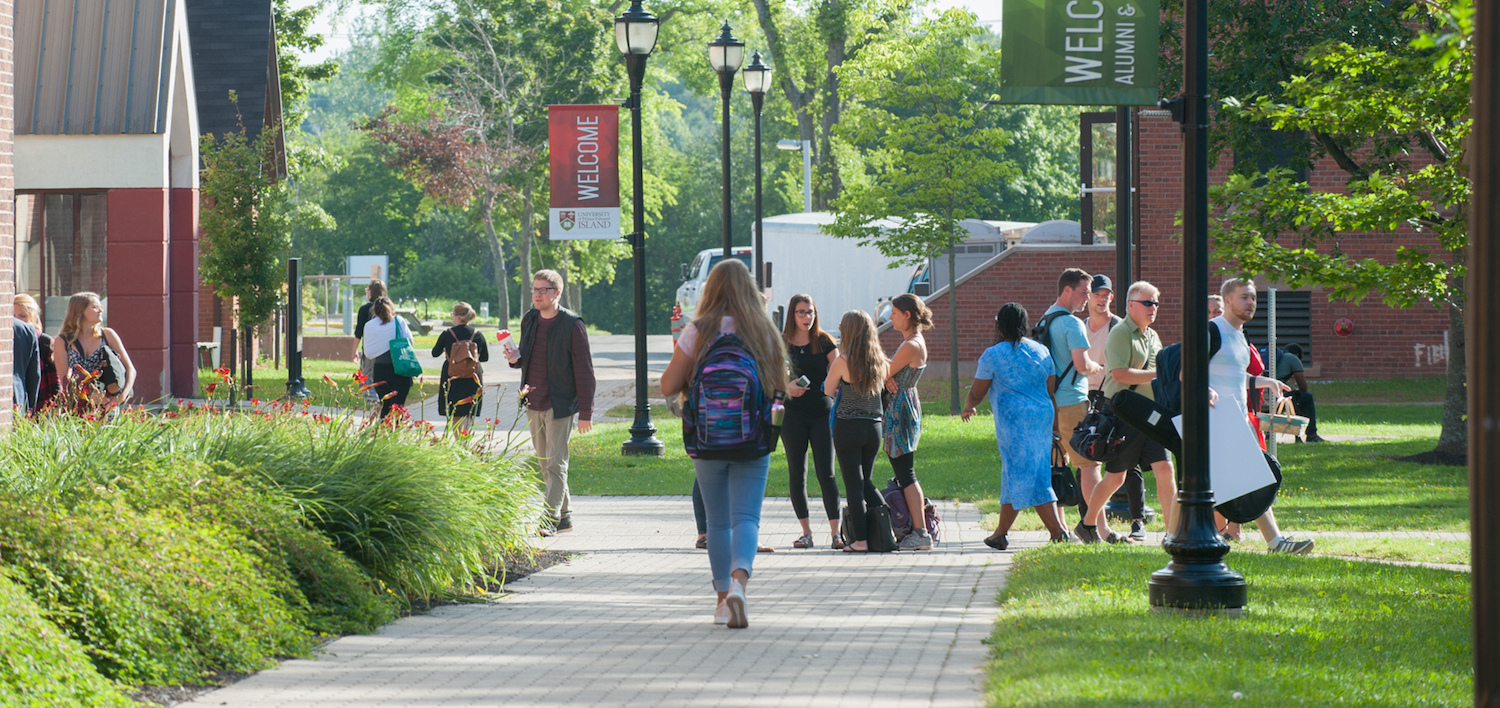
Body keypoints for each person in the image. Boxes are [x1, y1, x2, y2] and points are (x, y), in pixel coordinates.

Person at [660, 259, 785, 629]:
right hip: (753, 439)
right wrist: (772, 424)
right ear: (748, 288)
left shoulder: (698, 330)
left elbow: (667, 386)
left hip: (707, 438)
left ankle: (719, 603)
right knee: (746, 517)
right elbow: (779, 389)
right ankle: (739, 585)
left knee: (717, 522)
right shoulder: (762, 330)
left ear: (709, 290)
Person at [1209, 279, 1315, 554]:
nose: (1251, 303)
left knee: (1243, 481)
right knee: (1245, 480)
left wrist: (1265, 382)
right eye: (1244, 297)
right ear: (1227, 300)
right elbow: (1187, 372)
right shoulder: (1213, 331)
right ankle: (1275, 542)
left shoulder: (1239, 335)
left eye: (1253, 298)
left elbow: (1233, 375)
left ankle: (1274, 542)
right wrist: (1204, 390)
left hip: (1235, 419)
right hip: (1214, 420)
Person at [962, 302, 1071, 549]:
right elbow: (1050, 391)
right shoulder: (1042, 351)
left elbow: (978, 390)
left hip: (1015, 422)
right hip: (1042, 418)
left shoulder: (992, 354)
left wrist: (969, 406)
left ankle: (1057, 532)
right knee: (1018, 472)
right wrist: (1054, 428)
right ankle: (1000, 533)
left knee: (1030, 475)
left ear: (999, 324)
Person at [1078, 281, 1175, 544]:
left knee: (1165, 469)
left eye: (1155, 302)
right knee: (1116, 477)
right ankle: (1087, 525)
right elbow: (1119, 373)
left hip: (1152, 415)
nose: (1153, 307)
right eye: (1147, 303)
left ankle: (1173, 534)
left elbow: (1158, 375)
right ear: (1131, 305)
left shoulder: (1152, 335)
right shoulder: (1120, 333)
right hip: (1125, 414)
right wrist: (1161, 373)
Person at [508, 269, 596, 536]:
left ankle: (549, 519)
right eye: (534, 289)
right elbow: (526, 356)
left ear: (557, 293)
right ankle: (566, 517)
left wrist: (585, 413)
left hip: (561, 403)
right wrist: (515, 359)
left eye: (543, 290)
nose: (537, 295)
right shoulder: (530, 319)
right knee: (545, 463)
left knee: (556, 462)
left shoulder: (572, 325)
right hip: (533, 401)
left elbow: (585, 371)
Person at [1080, 275, 1147, 541]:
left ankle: (1137, 520)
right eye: (1097, 293)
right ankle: (1089, 520)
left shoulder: (1118, 327)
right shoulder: (1080, 326)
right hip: (1085, 397)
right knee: (1088, 455)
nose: (1102, 298)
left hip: (1115, 397)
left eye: (1107, 294)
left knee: (1126, 459)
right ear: (1089, 296)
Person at [781, 294, 843, 549]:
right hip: (792, 414)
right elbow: (769, 377)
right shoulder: (781, 342)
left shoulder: (825, 341)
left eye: (810, 312)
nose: (807, 317)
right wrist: (786, 388)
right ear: (792, 316)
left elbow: (842, 370)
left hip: (821, 413)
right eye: (801, 312)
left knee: (826, 473)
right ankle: (806, 533)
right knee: (797, 473)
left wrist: (836, 388)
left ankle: (836, 533)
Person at [1043, 270, 1104, 530]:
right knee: (1089, 465)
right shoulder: (1072, 323)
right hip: (1073, 401)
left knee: (1058, 464)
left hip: (1050, 402)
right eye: (1083, 293)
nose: (1087, 299)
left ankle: (1061, 527)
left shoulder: (1047, 317)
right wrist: (1095, 367)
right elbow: (1081, 364)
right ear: (1066, 290)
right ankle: (1097, 527)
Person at [824, 309, 888, 553]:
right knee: (866, 483)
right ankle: (887, 528)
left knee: (853, 484)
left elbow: (828, 390)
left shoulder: (844, 360)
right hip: (873, 427)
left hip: (848, 427)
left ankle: (860, 540)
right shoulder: (880, 360)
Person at [883, 293, 934, 551]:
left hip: (900, 412)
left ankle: (920, 532)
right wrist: (885, 376)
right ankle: (917, 528)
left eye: (894, 312)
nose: (890, 317)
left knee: (906, 473)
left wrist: (884, 376)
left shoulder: (911, 344)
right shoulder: (911, 342)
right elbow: (886, 372)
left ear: (907, 315)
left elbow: (882, 370)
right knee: (904, 472)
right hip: (903, 405)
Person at [53, 292, 136, 407]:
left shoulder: (108, 335)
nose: (100, 310)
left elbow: (130, 369)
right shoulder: (62, 341)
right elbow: (65, 380)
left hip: (108, 405)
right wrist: (89, 395)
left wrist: (121, 397)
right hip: (78, 406)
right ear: (80, 311)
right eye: (95, 307)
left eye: (100, 307)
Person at [432, 302, 490, 425]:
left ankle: (459, 442)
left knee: (455, 411)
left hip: (452, 375)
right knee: (469, 410)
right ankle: (465, 440)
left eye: (453, 314)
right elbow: (484, 357)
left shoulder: (447, 333)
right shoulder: (478, 334)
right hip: (473, 376)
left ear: (458, 316)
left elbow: (435, 353)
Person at [360, 296, 414, 420]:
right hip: (400, 368)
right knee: (398, 408)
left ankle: (383, 435)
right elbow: (410, 343)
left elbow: (368, 352)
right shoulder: (399, 321)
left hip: (380, 369)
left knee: (385, 407)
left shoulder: (369, 325)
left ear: (374, 310)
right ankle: (395, 435)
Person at [13, 295, 60, 412]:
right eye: (13, 316)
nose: (17, 320)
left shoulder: (45, 342)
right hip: (21, 404)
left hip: (42, 406)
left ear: (33, 318)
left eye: (23, 316)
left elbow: (55, 382)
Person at [1272, 343, 1324, 443]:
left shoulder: (1276, 357)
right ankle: (1311, 435)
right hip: (1277, 398)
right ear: (1297, 355)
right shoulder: (1292, 358)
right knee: (1306, 397)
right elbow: (1303, 387)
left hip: (1262, 396)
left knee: (1297, 397)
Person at [353, 279, 388, 405]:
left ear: (371, 292)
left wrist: (354, 351)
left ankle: (374, 404)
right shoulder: (388, 308)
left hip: (370, 351)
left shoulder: (365, 309)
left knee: (366, 379)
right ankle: (384, 403)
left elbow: (358, 332)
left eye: (367, 290)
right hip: (387, 352)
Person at [12, 313, 40, 413]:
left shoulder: (26, 329)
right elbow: (33, 377)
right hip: (18, 400)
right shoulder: (26, 329)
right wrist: (30, 409)